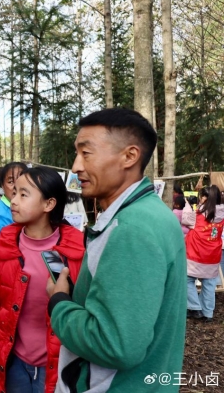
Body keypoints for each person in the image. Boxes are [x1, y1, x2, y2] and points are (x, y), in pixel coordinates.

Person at [47, 108, 187, 392]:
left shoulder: (132, 229)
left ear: (129, 156)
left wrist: (59, 303)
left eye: (86, 153)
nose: (76, 166)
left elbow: (116, 345)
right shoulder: (150, 213)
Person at [0, 167, 85, 393]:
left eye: (23, 194)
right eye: (14, 192)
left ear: (48, 204)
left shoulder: (76, 250)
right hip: (13, 364)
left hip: (57, 366)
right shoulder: (7, 243)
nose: (13, 200)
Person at [184, 184, 224, 322]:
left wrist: (188, 205)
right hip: (213, 255)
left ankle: (195, 308)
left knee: (186, 279)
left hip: (196, 254)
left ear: (205, 198)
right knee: (209, 284)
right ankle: (208, 313)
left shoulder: (199, 214)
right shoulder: (222, 213)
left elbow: (185, 219)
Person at [0, 162, 28, 272]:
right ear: (2, 186)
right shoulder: (0, 217)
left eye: (21, 179)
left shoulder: (19, 208)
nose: (17, 186)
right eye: (11, 182)